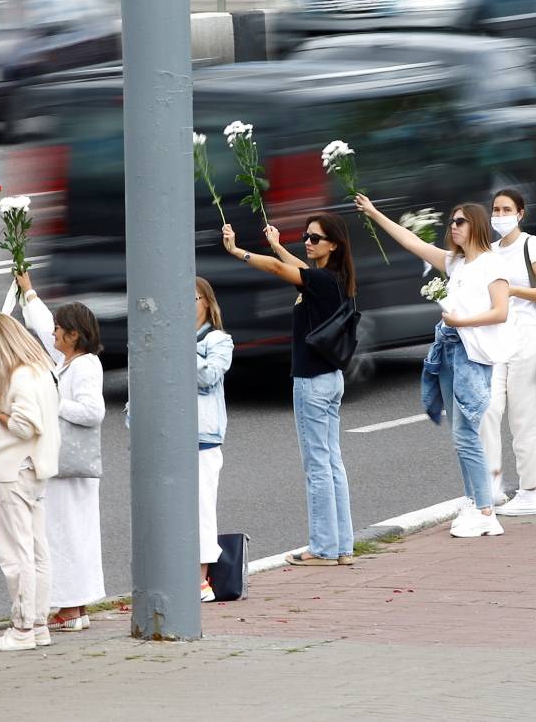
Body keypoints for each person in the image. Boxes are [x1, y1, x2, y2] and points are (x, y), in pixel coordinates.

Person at [358, 197, 511, 536]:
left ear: (476, 225)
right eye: (452, 222)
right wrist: (374, 213)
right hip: (449, 350)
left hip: (472, 354)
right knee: (460, 435)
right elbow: (412, 242)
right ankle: (473, 501)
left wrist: (463, 320)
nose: (453, 227)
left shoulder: (492, 264)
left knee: (465, 433)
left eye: (460, 222)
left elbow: (501, 311)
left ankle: (487, 512)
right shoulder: (456, 262)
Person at [221, 213, 357, 563]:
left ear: (333, 245)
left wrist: (239, 252)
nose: (308, 242)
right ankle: (342, 547)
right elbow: (297, 269)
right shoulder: (336, 279)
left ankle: (323, 547)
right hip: (331, 379)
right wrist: (279, 245)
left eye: (314, 238)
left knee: (317, 466)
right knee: (332, 463)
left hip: (312, 382)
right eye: (306, 237)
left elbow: (279, 271)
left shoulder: (320, 281)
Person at [10, 276, 106, 631]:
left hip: (73, 467)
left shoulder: (85, 366)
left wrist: (55, 402)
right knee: (62, 533)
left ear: (74, 336)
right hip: (63, 465)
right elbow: (40, 323)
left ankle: (72, 605)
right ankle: (72, 606)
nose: (53, 335)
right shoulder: (67, 361)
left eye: (59, 331)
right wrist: (28, 291)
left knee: (71, 534)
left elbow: (93, 412)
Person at [0, 313, 61, 651]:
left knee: (16, 551)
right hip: (38, 466)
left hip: (15, 466)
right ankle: (39, 623)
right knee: (38, 549)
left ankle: (22, 627)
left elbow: (25, 426)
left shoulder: (19, 377)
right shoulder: (42, 370)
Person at [481, 189, 536, 516]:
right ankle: (491, 483)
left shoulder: (531, 245)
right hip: (496, 339)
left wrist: (512, 290)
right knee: (488, 408)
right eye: (496, 209)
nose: (500, 215)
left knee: (524, 419)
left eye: (506, 209)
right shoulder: (490, 251)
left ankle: (529, 492)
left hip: (527, 338)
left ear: (520, 213)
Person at [193, 277, 234, 600]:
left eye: (191, 299)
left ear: (207, 301)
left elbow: (208, 376)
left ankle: (201, 580)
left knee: (201, 508)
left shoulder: (218, 340)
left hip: (202, 438)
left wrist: (180, 348)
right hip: (169, 440)